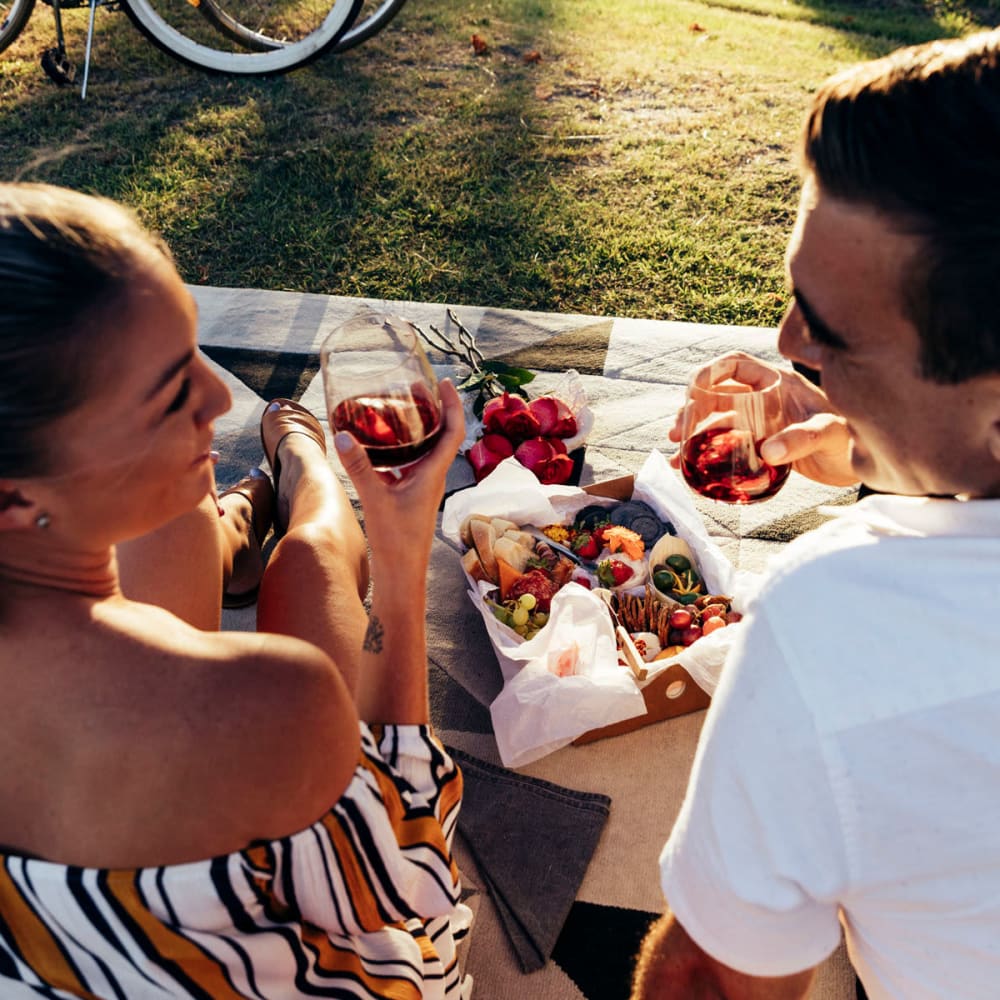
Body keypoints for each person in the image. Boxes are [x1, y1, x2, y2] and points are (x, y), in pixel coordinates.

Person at [0, 182, 473, 999]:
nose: (220, 399)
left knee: (177, 527)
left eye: (196, 358)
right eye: (172, 394)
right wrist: (402, 559)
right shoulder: (270, 700)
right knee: (310, 568)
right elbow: (411, 904)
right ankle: (304, 472)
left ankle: (248, 504)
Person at [632, 27, 1000, 1000]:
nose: (790, 343)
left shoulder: (829, 622)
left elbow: (715, 980)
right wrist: (886, 439)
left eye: (831, 332)